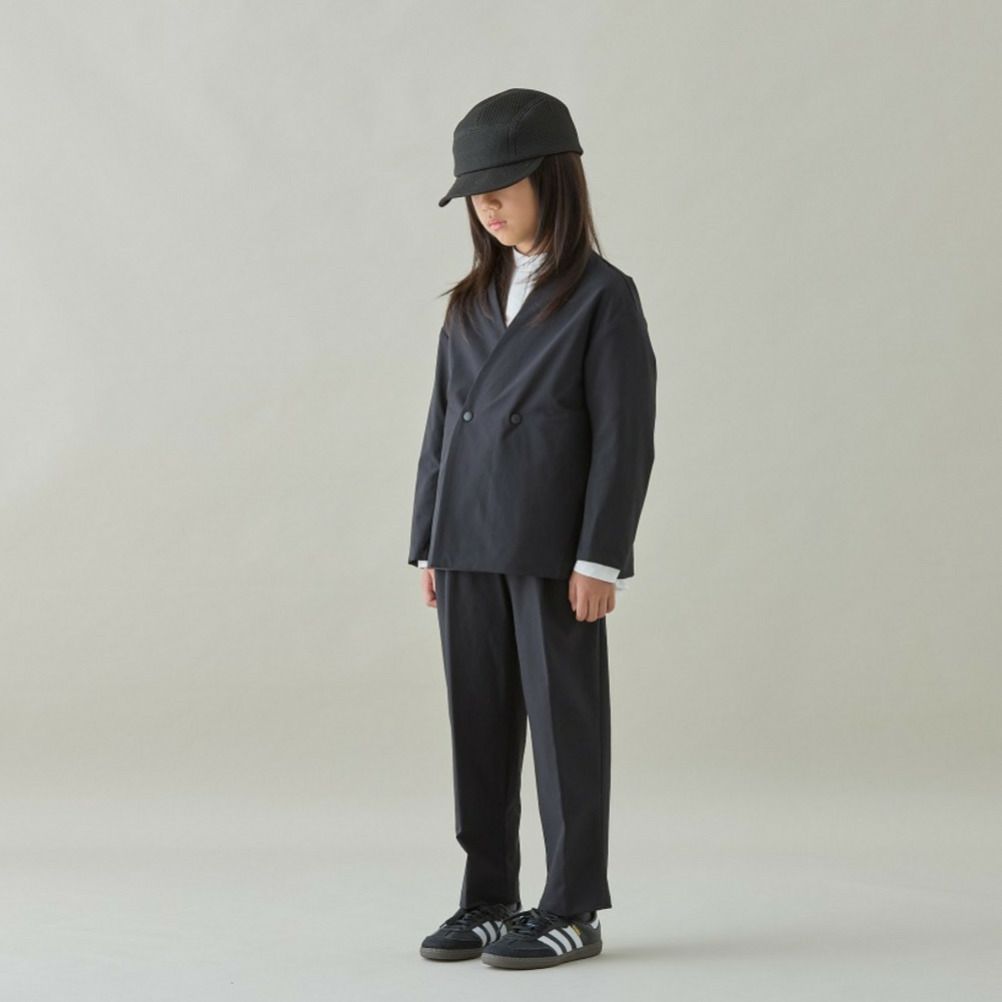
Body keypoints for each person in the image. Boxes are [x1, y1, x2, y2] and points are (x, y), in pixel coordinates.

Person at [408, 88, 657, 970]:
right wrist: (428, 541)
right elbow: (442, 427)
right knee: (477, 725)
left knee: (563, 728)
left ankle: (573, 905)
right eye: (474, 194)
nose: (486, 206)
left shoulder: (603, 298)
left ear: (553, 179)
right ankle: (489, 897)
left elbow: (625, 438)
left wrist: (601, 557)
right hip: (466, 543)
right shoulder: (470, 300)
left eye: (500, 188)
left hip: (554, 553)